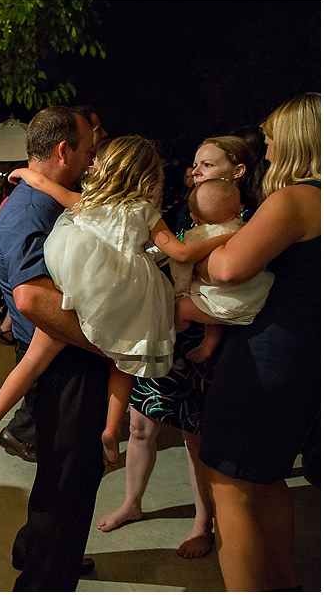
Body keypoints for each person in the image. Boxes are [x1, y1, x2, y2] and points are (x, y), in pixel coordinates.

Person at [0, 136, 233, 466]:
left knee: (34, 360)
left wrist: (24, 174)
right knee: (122, 361)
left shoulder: (87, 201)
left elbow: (43, 183)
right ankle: (111, 430)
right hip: (128, 296)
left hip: (85, 286)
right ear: (148, 177)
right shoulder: (145, 211)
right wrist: (226, 235)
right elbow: (180, 252)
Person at [97, 134, 265, 560]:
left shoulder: (248, 222)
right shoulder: (192, 209)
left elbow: (235, 288)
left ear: (237, 171)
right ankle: (132, 503)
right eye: (195, 164)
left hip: (199, 335)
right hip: (166, 331)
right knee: (140, 426)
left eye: (206, 165)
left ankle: (202, 521)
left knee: (194, 436)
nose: (195, 172)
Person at [198, 92, 320, 591]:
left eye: (270, 141)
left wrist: (198, 261)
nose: (265, 151)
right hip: (305, 351)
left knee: (227, 482)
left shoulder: (294, 199)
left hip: (268, 353)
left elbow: (228, 268)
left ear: (293, 143)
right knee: (268, 477)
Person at [0, 106, 107, 590]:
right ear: (65, 150)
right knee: (69, 482)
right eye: (88, 148)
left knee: (61, 475)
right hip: (65, 365)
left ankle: (37, 550)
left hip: (59, 359)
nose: (92, 156)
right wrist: (108, 345)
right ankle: (42, 578)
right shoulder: (32, 208)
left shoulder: (40, 200)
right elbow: (33, 299)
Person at [171, 179, 274, 362]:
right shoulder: (247, 229)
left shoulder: (197, 236)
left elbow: (181, 268)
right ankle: (208, 346)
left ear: (194, 218)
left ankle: (172, 339)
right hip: (256, 299)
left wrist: (179, 291)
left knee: (180, 308)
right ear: (238, 209)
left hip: (220, 305)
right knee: (210, 303)